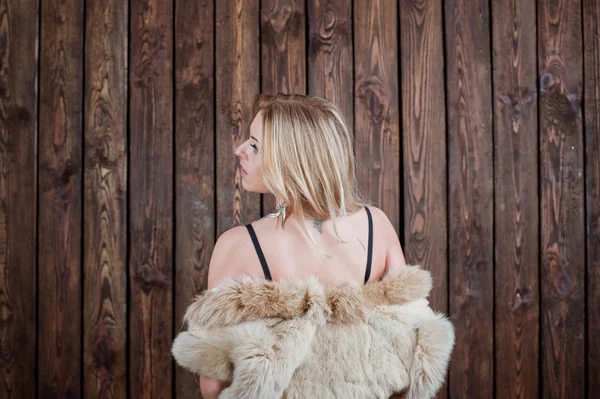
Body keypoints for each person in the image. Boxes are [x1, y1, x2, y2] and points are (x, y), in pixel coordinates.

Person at [199, 93, 407, 399]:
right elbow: (408, 345)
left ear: (289, 159)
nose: (239, 150)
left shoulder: (238, 246)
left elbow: (214, 387)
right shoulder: (377, 225)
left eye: (254, 145)